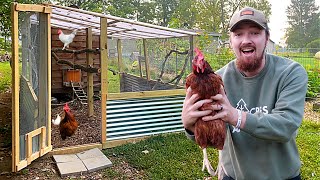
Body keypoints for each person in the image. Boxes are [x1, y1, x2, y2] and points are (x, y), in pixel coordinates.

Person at [182, 6, 308, 180]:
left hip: (281, 176)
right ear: (230, 41)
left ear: (267, 38)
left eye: (255, 33)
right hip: (233, 176)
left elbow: (286, 126)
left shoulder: (290, 73)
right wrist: (190, 125)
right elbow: (212, 133)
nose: (246, 40)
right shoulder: (217, 80)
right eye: (238, 34)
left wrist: (236, 116)